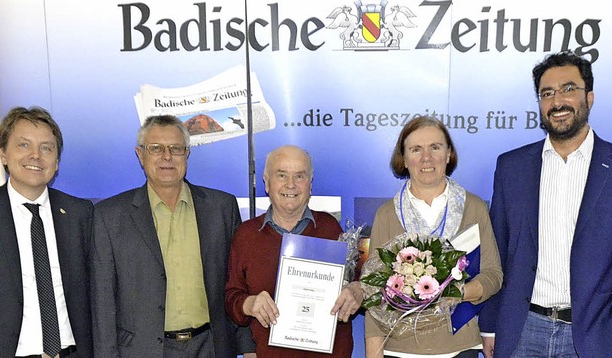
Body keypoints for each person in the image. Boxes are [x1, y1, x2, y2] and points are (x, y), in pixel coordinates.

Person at [479, 51, 612, 358]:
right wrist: (489, 326)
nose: (558, 102)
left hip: (595, 335)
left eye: (569, 89)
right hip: (522, 330)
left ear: (589, 97)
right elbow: (495, 251)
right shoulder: (512, 167)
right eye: (547, 93)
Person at [90, 115, 254, 357]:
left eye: (175, 148)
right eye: (156, 148)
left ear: (187, 153)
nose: (166, 157)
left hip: (210, 346)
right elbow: (102, 300)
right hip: (142, 351)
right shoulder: (109, 216)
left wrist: (247, 348)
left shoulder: (221, 208)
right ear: (140, 154)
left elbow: (236, 283)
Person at [365, 116, 503, 358]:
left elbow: (493, 275)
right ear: (404, 159)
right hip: (400, 349)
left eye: (435, 147)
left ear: (448, 154)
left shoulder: (474, 207)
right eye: (416, 149)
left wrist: (456, 293)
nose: (426, 158)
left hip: (460, 346)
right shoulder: (387, 214)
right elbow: (375, 294)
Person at [0, 106, 93, 357]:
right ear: (3, 154)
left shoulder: (80, 213)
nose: (35, 156)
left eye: (47, 148)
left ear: (57, 162)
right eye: (23, 145)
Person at [225, 145, 363, 357]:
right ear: (266, 181)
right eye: (281, 175)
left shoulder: (331, 228)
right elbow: (231, 298)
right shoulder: (246, 234)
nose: (291, 184)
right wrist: (249, 304)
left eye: (300, 176)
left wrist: (357, 290)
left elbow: (357, 283)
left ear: (310, 184)